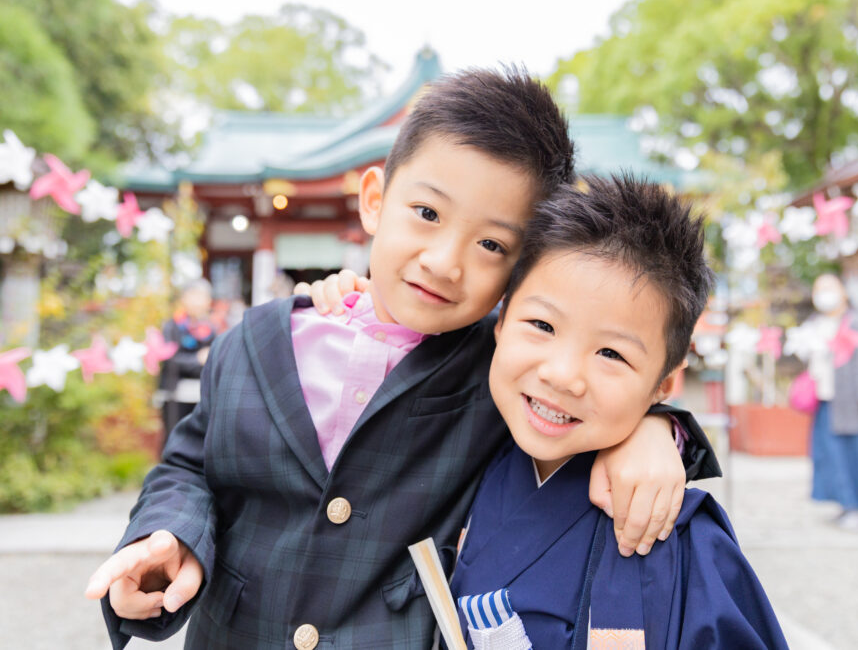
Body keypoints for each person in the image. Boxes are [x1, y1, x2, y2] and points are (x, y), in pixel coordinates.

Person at [84, 67, 715, 649]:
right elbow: (191, 465)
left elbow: (590, 387)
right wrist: (168, 534)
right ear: (374, 201)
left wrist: (659, 432)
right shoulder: (254, 341)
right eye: (426, 213)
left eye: (492, 243)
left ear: (520, 271)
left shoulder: (495, 370)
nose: (444, 261)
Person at [448, 174, 786, 649]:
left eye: (611, 354)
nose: (564, 375)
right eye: (542, 324)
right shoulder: (449, 456)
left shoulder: (681, 536)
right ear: (500, 319)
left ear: (664, 383)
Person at [806, 273, 858, 531]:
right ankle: (843, 503)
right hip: (825, 401)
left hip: (851, 402)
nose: (823, 293)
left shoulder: (855, 323)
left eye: (829, 288)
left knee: (854, 453)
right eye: (819, 288)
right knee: (831, 456)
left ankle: (856, 508)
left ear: (844, 292)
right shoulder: (815, 324)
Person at [156, 279, 216, 448]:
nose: (198, 301)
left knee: (199, 442)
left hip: (201, 395)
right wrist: (197, 359)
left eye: (203, 296)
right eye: (194, 295)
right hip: (175, 394)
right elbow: (168, 359)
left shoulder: (211, 328)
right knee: (174, 440)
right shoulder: (171, 326)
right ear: (184, 298)